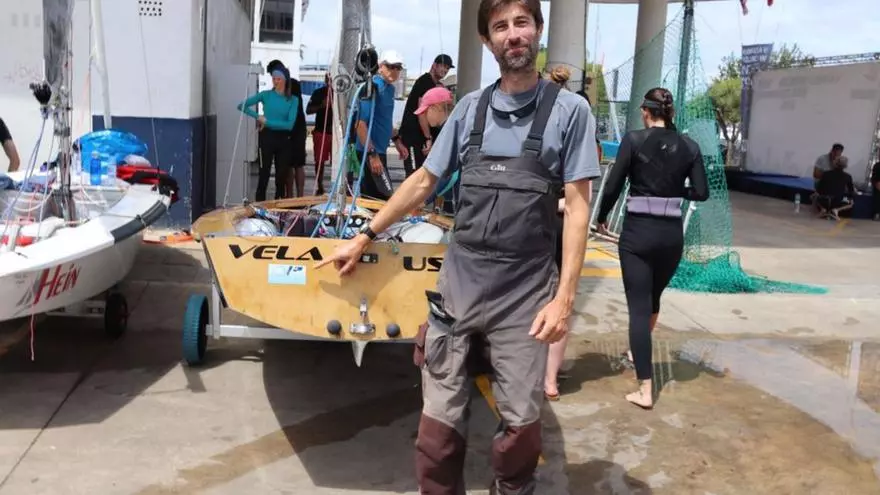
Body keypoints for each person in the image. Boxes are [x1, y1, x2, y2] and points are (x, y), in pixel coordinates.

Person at [316, 0, 599, 492]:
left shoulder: (570, 112)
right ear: (487, 41)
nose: (513, 34)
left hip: (525, 293)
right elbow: (423, 181)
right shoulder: (469, 109)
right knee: (437, 432)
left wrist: (564, 299)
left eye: (522, 22)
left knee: (521, 427)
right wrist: (365, 235)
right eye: (500, 26)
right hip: (459, 288)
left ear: (538, 29)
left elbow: (577, 208)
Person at [596, 87, 709, 410]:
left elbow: (614, 185)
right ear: (670, 112)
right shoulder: (689, 146)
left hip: (638, 235)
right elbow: (701, 192)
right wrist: (675, 192)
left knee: (638, 308)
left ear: (646, 111)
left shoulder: (634, 140)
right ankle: (638, 351)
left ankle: (645, 389)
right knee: (654, 298)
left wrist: (602, 215)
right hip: (671, 237)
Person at [352, 50, 409, 201]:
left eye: (398, 67)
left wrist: (397, 141)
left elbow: (385, 120)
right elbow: (360, 124)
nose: (394, 71)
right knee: (382, 198)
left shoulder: (390, 89)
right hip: (369, 151)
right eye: (390, 66)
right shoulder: (372, 87)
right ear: (380, 66)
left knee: (377, 198)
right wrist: (372, 155)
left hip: (380, 151)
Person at [237, 67, 298, 202]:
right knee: (263, 173)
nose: (275, 82)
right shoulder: (266, 95)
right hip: (267, 138)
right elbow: (241, 105)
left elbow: (289, 125)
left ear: (285, 80)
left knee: (281, 177)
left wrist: (267, 122)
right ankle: (259, 204)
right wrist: (257, 116)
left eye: (278, 79)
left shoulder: (293, 100)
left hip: (284, 140)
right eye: (274, 79)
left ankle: (279, 205)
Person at [398, 54, 454, 177]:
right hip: (413, 135)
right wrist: (428, 138)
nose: (445, 70)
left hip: (421, 136)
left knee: (423, 174)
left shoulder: (435, 85)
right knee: (413, 174)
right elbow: (421, 111)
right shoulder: (425, 81)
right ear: (434, 65)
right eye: (443, 66)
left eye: (447, 68)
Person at [306, 73, 333, 195]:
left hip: (337, 134)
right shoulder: (318, 93)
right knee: (319, 161)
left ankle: (338, 185)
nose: (330, 81)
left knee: (338, 161)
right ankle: (320, 185)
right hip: (321, 131)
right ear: (326, 79)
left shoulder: (342, 93)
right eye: (328, 78)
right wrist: (322, 105)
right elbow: (308, 110)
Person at [815, 155, 855, 221]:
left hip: (823, 200)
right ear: (845, 166)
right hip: (837, 201)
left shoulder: (825, 174)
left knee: (814, 196)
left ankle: (823, 209)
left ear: (834, 163)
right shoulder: (848, 176)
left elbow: (819, 189)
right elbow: (851, 192)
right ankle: (836, 210)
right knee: (851, 202)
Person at [812, 143, 844, 212]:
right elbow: (815, 174)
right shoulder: (822, 159)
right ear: (832, 151)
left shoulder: (839, 161)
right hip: (821, 184)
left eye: (839, 155)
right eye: (835, 154)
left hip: (833, 185)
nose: (836, 157)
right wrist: (828, 176)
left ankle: (833, 207)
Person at [871, 157, 880, 221]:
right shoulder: (877, 165)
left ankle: (877, 214)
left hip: (877, 184)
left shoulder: (876, 165)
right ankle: (877, 214)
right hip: (877, 184)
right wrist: (876, 183)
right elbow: (874, 176)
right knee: (877, 198)